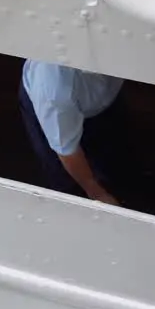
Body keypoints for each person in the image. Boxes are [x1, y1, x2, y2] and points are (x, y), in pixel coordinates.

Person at [19, 60, 125, 205]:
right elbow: (67, 151)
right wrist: (97, 192)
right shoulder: (53, 86)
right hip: (53, 110)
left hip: (97, 99)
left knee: (108, 149)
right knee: (63, 176)